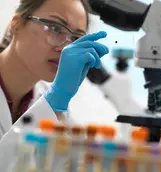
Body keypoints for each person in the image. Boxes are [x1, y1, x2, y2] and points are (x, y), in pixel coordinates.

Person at [0, 0, 110, 170]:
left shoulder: (47, 100)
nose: (65, 48)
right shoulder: (53, 101)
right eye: (55, 28)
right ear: (17, 24)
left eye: (75, 38)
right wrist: (55, 100)